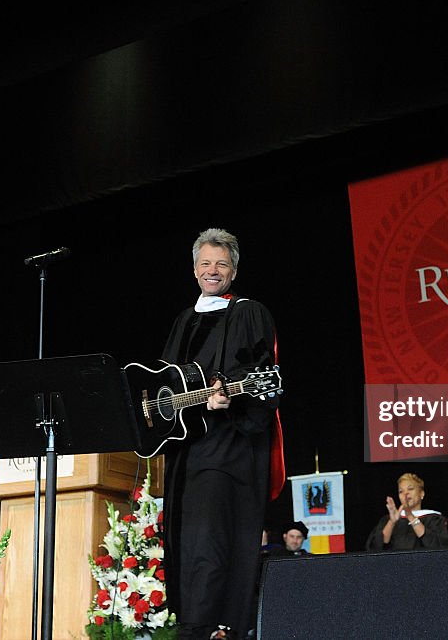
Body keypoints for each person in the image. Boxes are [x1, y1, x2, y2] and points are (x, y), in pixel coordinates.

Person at [160, 227, 281, 640]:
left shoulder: (247, 312)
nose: (213, 271)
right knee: (184, 541)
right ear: (194, 269)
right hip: (185, 450)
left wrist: (228, 394)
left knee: (210, 544)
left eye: (222, 264)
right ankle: (192, 625)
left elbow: (259, 373)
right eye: (206, 263)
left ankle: (214, 628)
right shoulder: (184, 319)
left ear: (233, 271)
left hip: (225, 448)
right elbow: (167, 380)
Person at [365, 472, 448, 551]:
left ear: (422, 494)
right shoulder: (388, 520)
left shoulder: (434, 519)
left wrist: (410, 516)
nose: (405, 493)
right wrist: (392, 522)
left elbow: (439, 547)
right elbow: (374, 548)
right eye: (401, 491)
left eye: (410, 489)